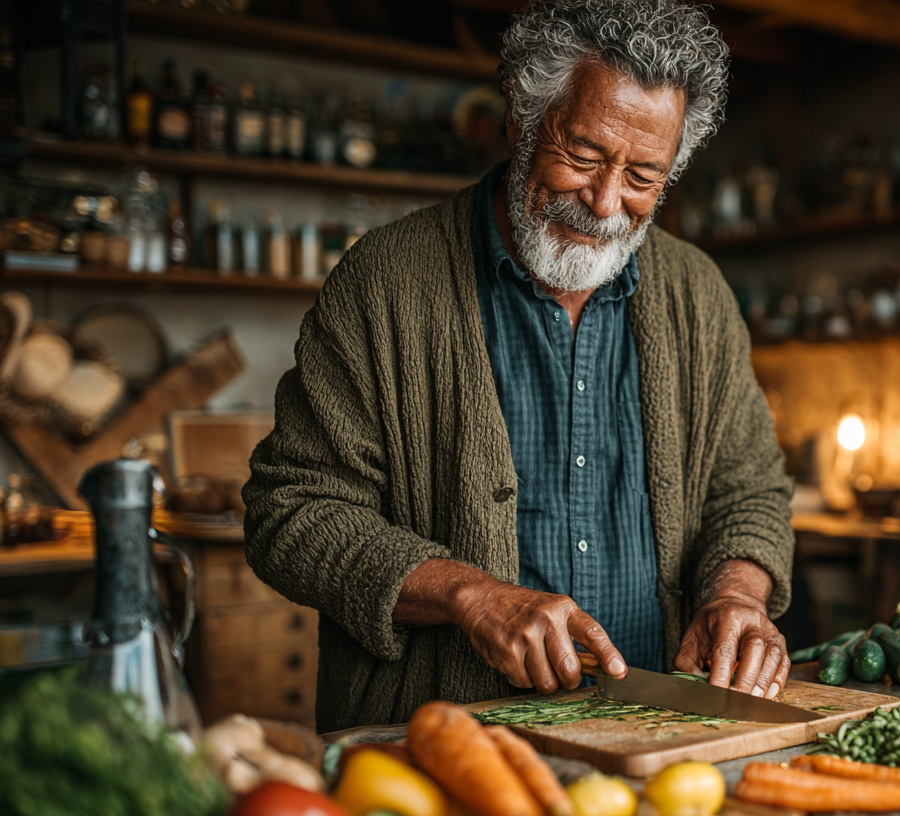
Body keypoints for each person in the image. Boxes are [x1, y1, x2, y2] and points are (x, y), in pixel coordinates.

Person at [243, 0, 795, 733]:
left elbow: (750, 490)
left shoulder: (697, 293)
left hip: (659, 742)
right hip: (444, 742)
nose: (604, 202)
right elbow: (292, 510)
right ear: (521, 118)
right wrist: (467, 594)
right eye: (584, 155)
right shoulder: (385, 281)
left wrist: (738, 596)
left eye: (642, 175)